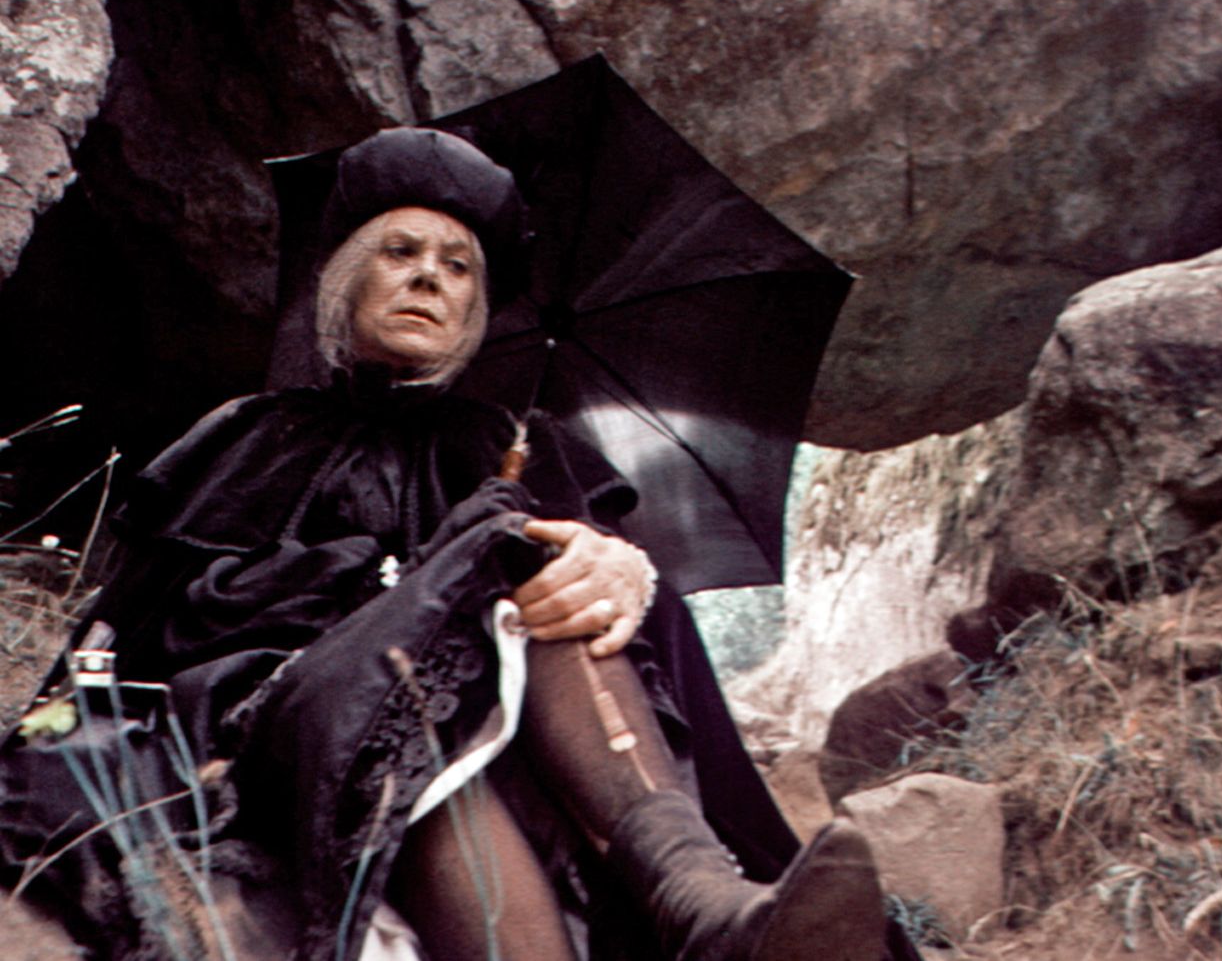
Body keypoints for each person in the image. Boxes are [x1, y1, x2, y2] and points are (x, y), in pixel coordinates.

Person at [2, 128, 901, 961]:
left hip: (505, 737)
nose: (428, 278)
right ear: (347, 279)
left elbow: (610, 595)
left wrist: (619, 568)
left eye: (457, 265)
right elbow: (127, 642)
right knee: (408, 712)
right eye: (400, 252)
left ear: (476, 307)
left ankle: (701, 904)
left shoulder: (518, 446)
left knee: (532, 574)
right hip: (276, 729)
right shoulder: (244, 435)